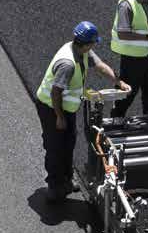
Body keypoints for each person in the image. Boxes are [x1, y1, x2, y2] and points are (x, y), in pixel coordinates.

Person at [35, 22, 129, 202]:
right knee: (55, 147)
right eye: (93, 43)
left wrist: (118, 81)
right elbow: (56, 92)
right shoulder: (67, 64)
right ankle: (54, 187)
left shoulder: (82, 50)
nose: (94, 46)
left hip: (66, 109)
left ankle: (66, 181)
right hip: (51, 109)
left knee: (68, 143)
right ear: (86, 44)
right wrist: (60, 118)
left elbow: (100, 65)